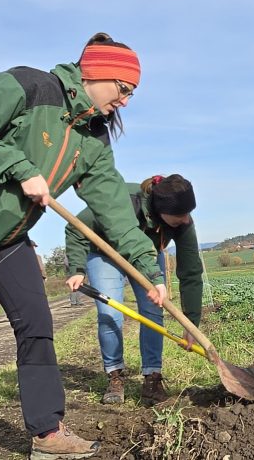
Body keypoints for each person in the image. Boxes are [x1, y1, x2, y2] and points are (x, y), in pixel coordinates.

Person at [0, 33, 168, 460]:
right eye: (124, 88)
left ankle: (47, 433)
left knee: (36, 322)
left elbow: (115, 209)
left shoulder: (94, 138)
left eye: (132, 93)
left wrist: (148, 269)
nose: (126, 101)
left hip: (5, 232)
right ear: (96, 74)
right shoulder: (30, 86)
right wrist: (19, 168)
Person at [64, 174, 204, 406]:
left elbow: (191, 272)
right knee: (110, 313)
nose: (186, 219)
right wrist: (77, 268)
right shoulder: (122, 199)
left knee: (153, 310)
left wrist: (191, 323)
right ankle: (115, 375)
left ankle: (152, 379)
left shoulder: (182, 220)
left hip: (147, 257)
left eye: (188, 213)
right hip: (105, 253)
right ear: (161, 210)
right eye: (180, 215)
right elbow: (75, 228)